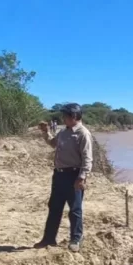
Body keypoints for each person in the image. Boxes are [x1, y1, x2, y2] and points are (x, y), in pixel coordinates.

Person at [35, 103, 93, 252]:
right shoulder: (63, 131)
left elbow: (87, 159)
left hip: (74, 175)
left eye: (64, 116)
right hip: (59, 174)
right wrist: (45, 132)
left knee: (74, 209)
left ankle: (76, 238)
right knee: (54, 206)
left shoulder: (83, 133)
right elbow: (53, 143)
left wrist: (81, 177)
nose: (62, 118)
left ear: (73, 116)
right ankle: (49, 238)